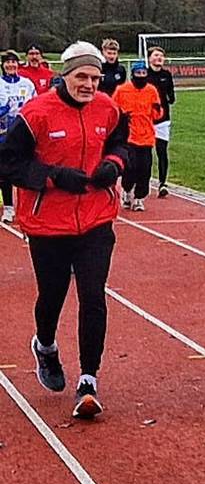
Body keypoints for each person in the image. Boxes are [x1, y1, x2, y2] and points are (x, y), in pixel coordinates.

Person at [0, 42, 127, 419]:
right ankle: (47, 345)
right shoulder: (37, 113)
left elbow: (123, 140)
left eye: (95, 77)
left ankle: (89, 378)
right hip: (47, 223)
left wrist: (114, 163)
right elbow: (7, 163)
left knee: (93, 295)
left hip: (96, 218)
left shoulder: (107, 106)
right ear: (65, 75)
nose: (89, 84)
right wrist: (53, 177)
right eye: (82, 77)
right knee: (52, 296)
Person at [113, 62, 162, 212]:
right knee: (131, 167)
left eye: (143, 73)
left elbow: (157, 114)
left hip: (146, 136)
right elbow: (113, 109)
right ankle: (127, 191)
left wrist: (157, 109)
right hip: (129, 136)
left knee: (145, 168)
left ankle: (139, 198)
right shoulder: (122, 90)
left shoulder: (151, 90)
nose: (141, 76)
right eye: (138, 73)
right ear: (132, 74)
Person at [0, 50, 36, 222]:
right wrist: (4, 110)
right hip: (3, 134)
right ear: (3, 65)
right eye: (7, 62)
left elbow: (35, 105)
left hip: (24, 133)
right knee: (4, 171)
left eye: (13, 62)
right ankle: (8, 208)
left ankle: (28, 207)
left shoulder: (27, 84)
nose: (11, 65)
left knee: (26, 168)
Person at [146, 47, 176, 197]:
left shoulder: (166, 75)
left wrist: (167, 96)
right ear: (150, 58)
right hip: (146, 119)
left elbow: (172, 97)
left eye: (162, 56)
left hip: (163, 120)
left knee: (162, 151)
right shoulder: (144, 74)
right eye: (156, 55)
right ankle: (144, 181)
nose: (159, 58)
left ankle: (162, 183)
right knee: (145, 153)